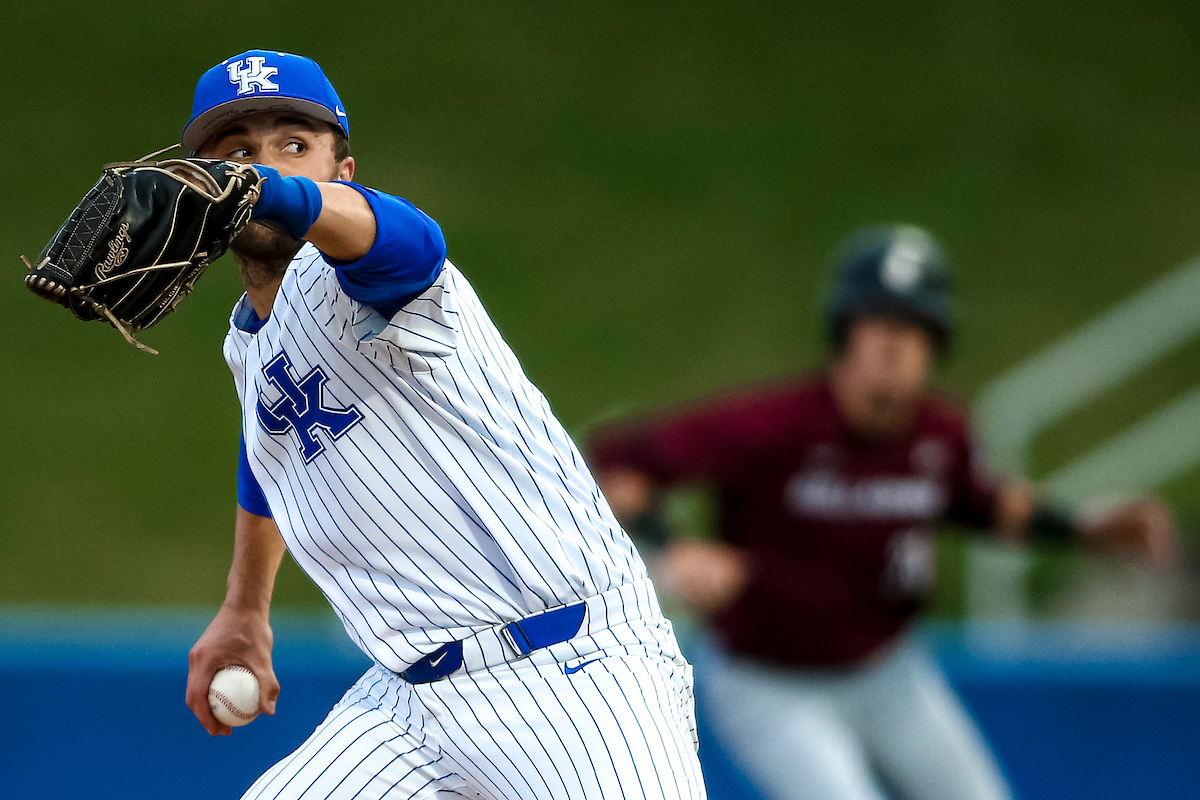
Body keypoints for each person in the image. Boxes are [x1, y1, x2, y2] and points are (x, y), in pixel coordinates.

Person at [180, 49, 706, 800]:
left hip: (573, 671)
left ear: (346, 172)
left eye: (294, 146)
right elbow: (271, 448)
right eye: (235, 155)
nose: (261, 170)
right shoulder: (250, 338)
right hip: (409, 705)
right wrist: (244, 605)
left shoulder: (367, 281)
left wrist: (276, 193)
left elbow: (413, 241)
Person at [588, 225, 1176, 800]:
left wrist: (1082, 529)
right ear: (845, 333)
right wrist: (670, 547)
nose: (892, 342)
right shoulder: (774, 426)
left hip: (886, 668)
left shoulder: (941, 435)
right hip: (769, 680)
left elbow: (985, 504)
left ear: (936, 343)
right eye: (877, 322)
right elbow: (616, 464)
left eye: (913, 327)